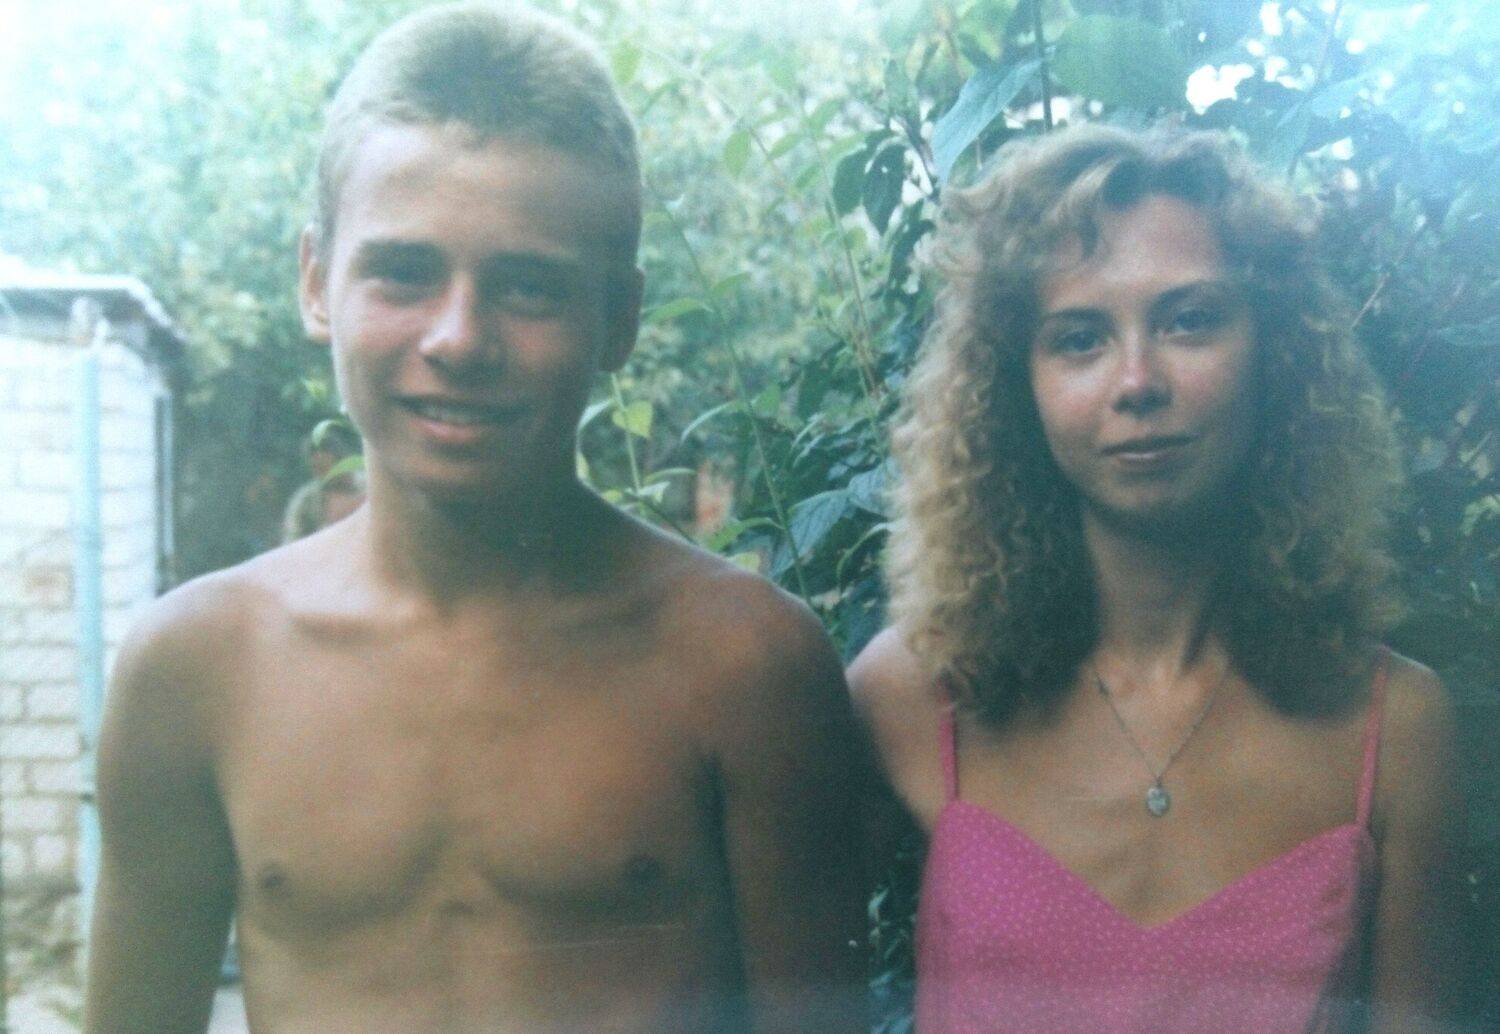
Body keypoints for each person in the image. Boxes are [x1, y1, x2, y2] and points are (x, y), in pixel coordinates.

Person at [85, 5, 866, 1031]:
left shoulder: (743, 666)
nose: (458, 339)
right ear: (317, 281)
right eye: (404, 273)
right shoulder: (196, 669)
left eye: (529, 286)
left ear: (619, 318)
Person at [851, 125, 1466, 1032]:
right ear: (1013, 385)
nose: (1137, 381)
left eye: (1188, 321)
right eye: (1079, 339)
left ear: (1277, 350)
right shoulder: (909, 697)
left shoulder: (1396, 729)